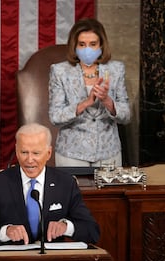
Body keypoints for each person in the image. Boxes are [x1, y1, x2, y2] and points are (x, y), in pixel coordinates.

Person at [0, 123, 100, 248]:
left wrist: (67, 227)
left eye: (36, 153)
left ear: (48, 153)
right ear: (16, 151)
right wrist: (5, 231)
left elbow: (92, 231)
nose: (29, 160)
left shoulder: (65, 183)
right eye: (24, 152)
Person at [49, 18, 130, 168]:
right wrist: (85, 103)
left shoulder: (116, 69)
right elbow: (55, 117)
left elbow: (125, 116)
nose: (87, 49)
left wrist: (107, 101)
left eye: (93, 44)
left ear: (101, 45)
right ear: (74, 46)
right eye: (82, 44)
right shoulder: (60, 71)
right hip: (72, 153)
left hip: (108, 153)